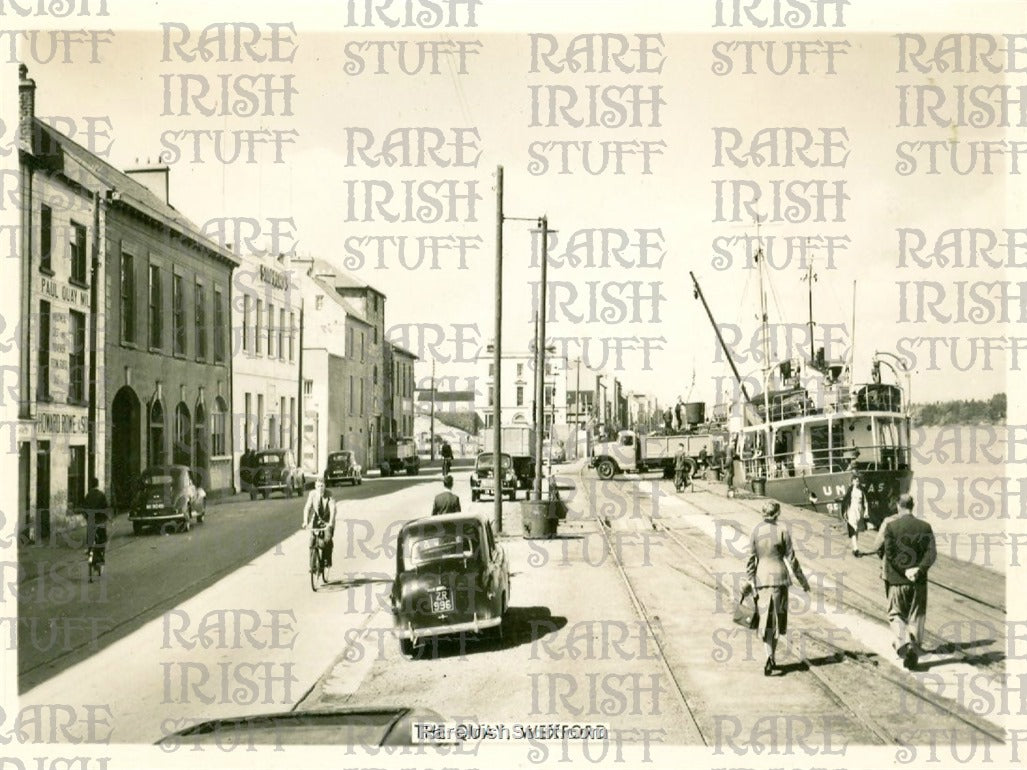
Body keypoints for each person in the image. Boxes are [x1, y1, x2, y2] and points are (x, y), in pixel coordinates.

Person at [868, 493, 937, 670]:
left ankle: (905, 642)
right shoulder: (925, 526)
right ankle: (914, 645)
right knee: (916, 615)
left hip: (897, 580)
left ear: (898, 506)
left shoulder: (891, 527)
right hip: (918, 581)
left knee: (896, 614)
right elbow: (931, 554)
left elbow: (889, 554)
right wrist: (919, 569)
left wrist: (904, 570)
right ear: (912, 506)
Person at [746, 501, 811, 676]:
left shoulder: (755, 531)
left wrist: (751, 581)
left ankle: (769, 656)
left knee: (765, 620)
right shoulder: (782, 530)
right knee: (775, 620)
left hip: (762, 580)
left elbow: (750, 560)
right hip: (780, 579)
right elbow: (792, 559)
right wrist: (803, 581)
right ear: (777, 514)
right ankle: (771, 657)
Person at [302, 478, 336, 568]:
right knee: (312, 541)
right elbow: (307, 508)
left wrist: (331, 522)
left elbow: (333, 509)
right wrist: (305, 521)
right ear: (315, 486)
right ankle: (312, 566)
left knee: (327, 540)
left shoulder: (329, 494)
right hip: (316, 520)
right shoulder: (312, 494)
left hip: (328, 520)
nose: (320, 488)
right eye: (318, 486)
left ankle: (327, 559)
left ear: (325, 486)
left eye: (322, 486)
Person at [80, 478, 110, 569]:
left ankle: (89, 550)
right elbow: (105, 507)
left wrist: (87, 517)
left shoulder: (88, 495)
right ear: (97, 485)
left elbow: (84, 508)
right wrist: (106, 517)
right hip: (100, 520)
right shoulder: (101, 495)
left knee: (90, 536)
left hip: (91, 521)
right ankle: (100, 556)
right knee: (102, 538)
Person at [841, 475, 868, 556]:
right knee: (853, 529)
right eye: (855, 480)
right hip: (852, 511)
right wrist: (845, 512)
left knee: (856, 530)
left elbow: (866, 502)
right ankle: (856, 549)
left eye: (858, 480)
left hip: (859, 512)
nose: (857, 481)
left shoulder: (862, 491)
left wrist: (866, 511)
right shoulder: (850, 491)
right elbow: (846, 502)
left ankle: (855, 548)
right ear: (852, 482)